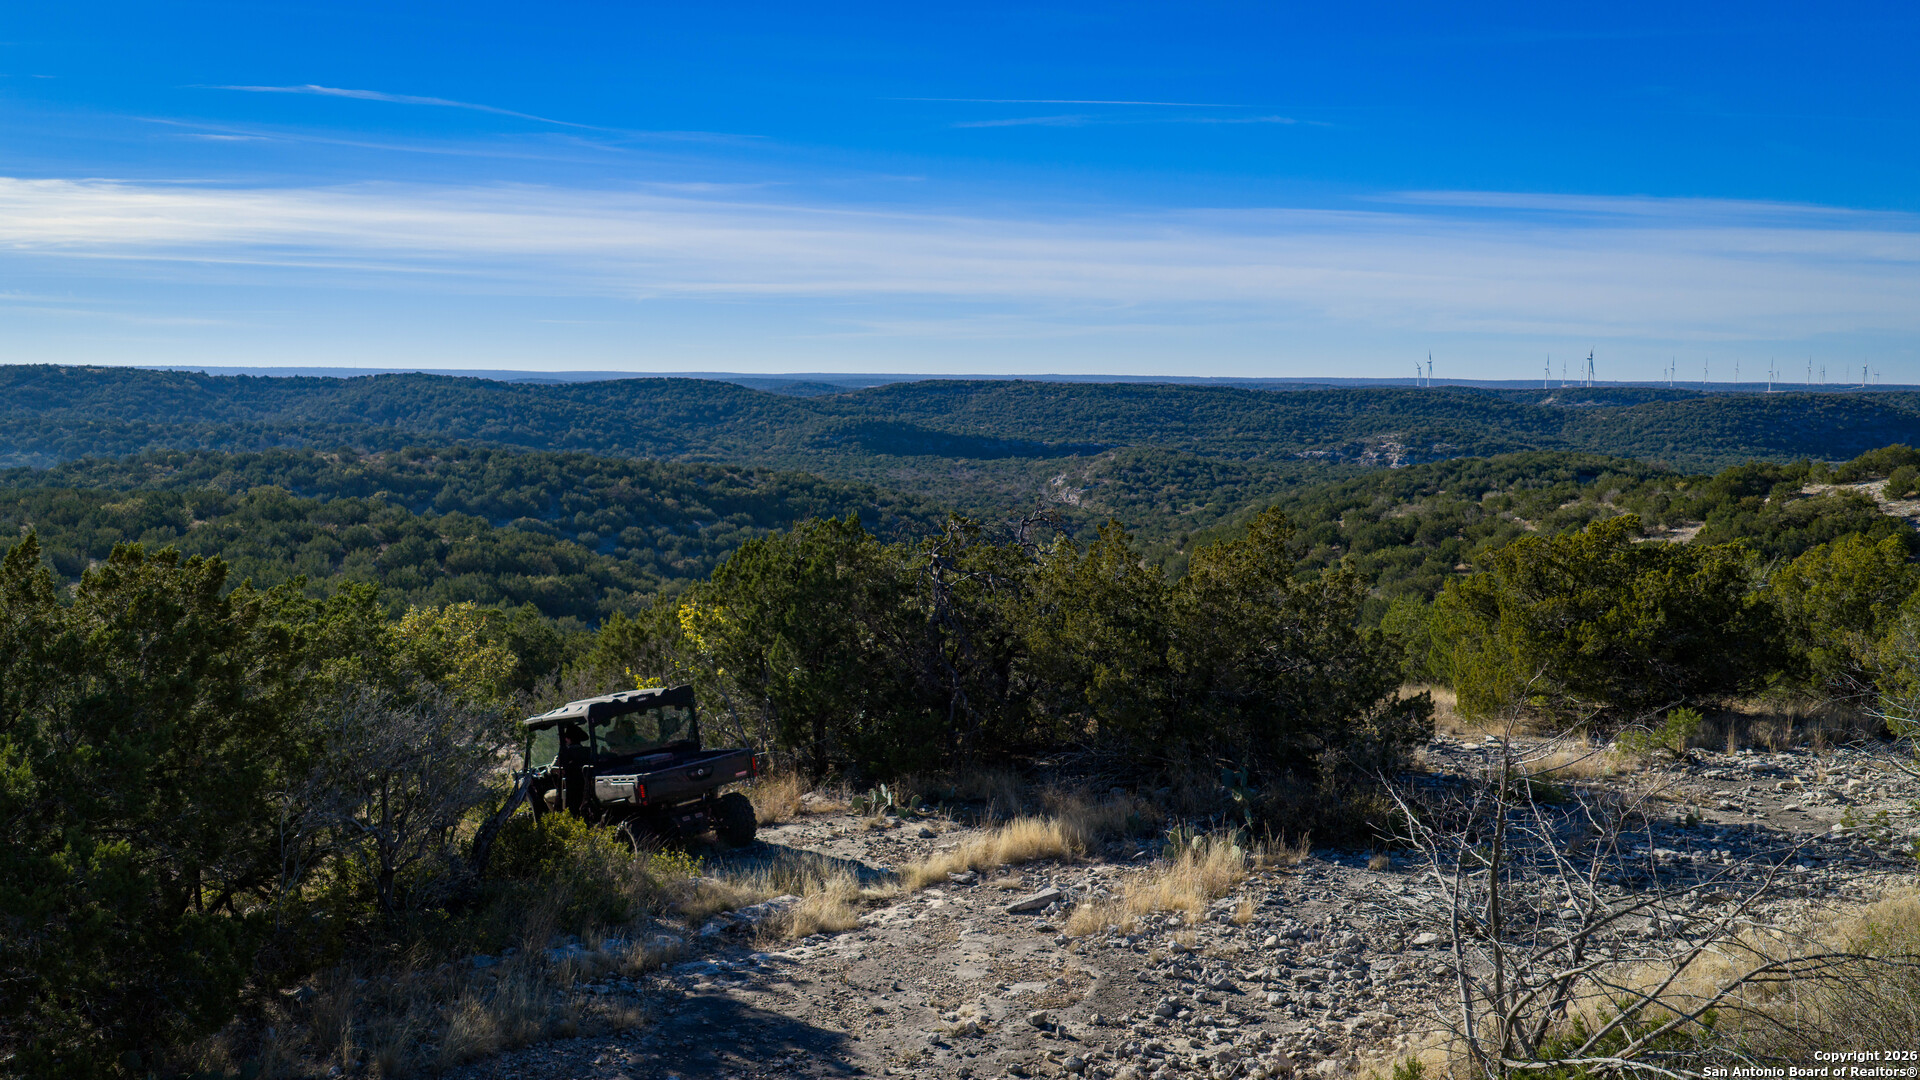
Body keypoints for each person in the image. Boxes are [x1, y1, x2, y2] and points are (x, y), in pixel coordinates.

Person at [556, 724, 590, 812]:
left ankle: (555, 819)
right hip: (585, 791)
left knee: (547, 796)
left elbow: (556, 768)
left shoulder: (566, 754)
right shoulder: (587, 752)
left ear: (568, 739)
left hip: (570, 792)